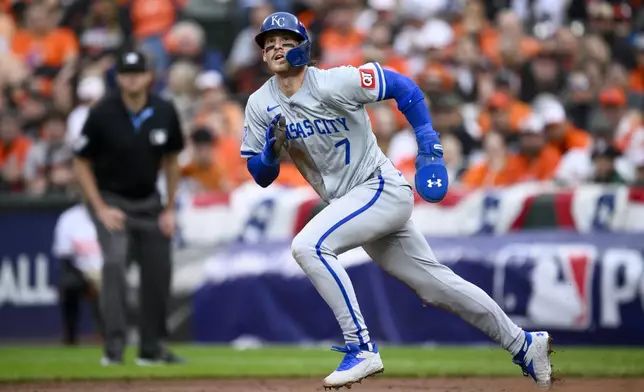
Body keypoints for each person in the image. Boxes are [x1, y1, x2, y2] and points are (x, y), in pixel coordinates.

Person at [241, 12, 553, 390]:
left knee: (309, 246)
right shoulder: (260, 105)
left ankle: (361, 347)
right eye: (268, 42)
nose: (275, 47)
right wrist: (271, 154)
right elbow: (261, 176)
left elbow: (402, 86)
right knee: (436, 286)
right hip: (353, 202)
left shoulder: (333, 82)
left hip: (378, 187)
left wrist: (429, 146)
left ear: (302, 47)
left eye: (285, 40)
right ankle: (524, 344)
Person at [73, 50, 185, 366]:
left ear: (149, 76)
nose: (132, 78)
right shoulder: (102, 113)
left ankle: (152, 349)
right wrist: (100, 208)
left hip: (150, 202)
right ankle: (114, 349)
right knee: (114, 264)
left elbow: (172, 161)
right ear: (118, 77)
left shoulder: (164, 110)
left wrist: (170, 208)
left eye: (137, 72)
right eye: (126, 72)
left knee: (159, 271)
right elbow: (81, 163)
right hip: (112, 201)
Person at [52, 202, 104, 346]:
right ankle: (70, 336)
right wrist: (86, 277)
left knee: (111, 283)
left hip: (107, 271)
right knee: (69, 285)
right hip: (80, 271)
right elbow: (64, 255)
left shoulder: (111, 213)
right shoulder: (70, 218)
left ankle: (108, 334)